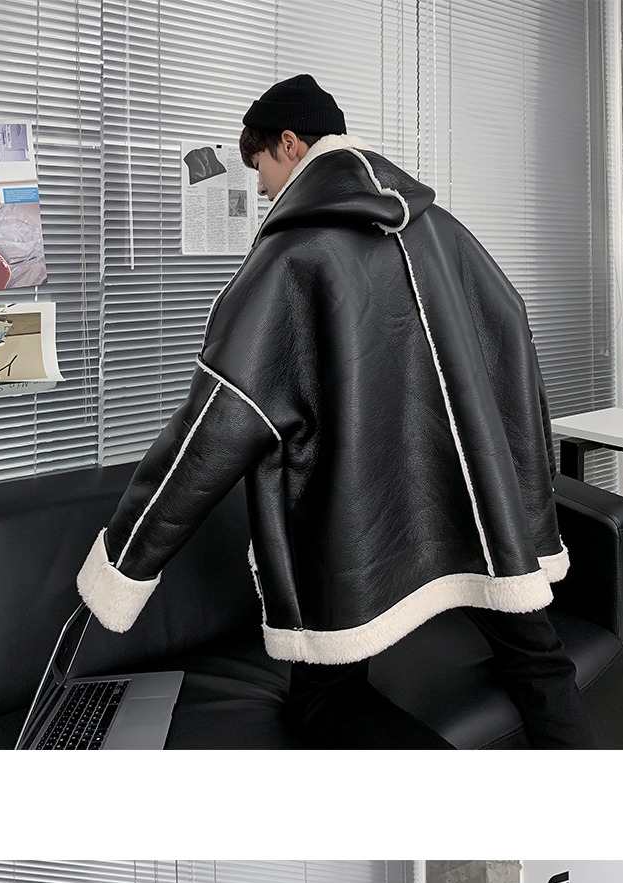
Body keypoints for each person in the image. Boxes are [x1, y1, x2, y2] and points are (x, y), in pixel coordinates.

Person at [75, 72, 593, 749]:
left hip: (354, 533)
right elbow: (512, 332)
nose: (262, 189)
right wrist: (523, 478)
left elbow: (216, 424)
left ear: (289, 144)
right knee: (539, 659)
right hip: (479, 506)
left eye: (260, 167)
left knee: (325, 697)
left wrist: (125, 563)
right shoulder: (442, 229)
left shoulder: (292, 257)